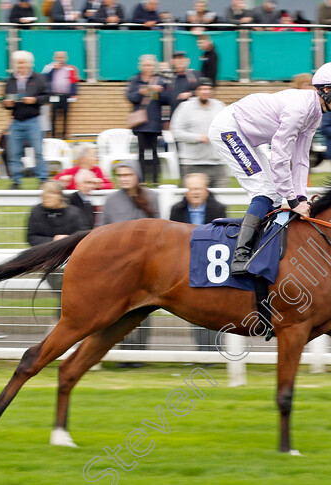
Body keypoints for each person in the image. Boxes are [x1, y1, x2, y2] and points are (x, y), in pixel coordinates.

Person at [208, 61, 331, 274]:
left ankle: (262, 248)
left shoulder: (315, 114)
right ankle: (240, 256)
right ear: (327, 90)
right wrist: (291, 199)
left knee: (273, 193)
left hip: (247, 134)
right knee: (264, 191)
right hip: (229, 129)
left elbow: (301, 158)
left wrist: (300, 197)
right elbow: (281, 156)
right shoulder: (300, 109)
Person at [102, 160, 158, 366]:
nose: (124, 178)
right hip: (119, 265)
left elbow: (159, 227)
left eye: (128, 174)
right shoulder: (111, 201)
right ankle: (124, 354)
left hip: (146, 265)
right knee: (120, 309)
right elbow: (101, 230)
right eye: (121, 175)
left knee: (146, 307)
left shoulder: (152, 197)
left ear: (137, 176)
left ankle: (140, 353)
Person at [169, 172, 226, 353]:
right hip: (186, 265)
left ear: (206, 190)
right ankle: (202, 350)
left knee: (214, 307)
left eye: (198, 189)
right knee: (194, 308)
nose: (195, 193)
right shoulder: (176, 210)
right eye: (191, 189)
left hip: (212, 264)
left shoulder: (218, 209)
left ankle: (213, 350)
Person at [27, 181, 89, 319]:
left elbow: (84, 233)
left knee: (71, 293)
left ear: (59, 195)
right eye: (45, 194)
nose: (48, 198)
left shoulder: (74, 213)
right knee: (66, 292)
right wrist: (53, 241)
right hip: (50, 262)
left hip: (73, 261)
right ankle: (62, 322)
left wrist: (67, 239)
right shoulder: (36, 212)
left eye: (52, 194)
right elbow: (31, 237)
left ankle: (61, 322)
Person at [3, 50, 50, 189]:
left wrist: (34, 100)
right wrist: (6, 103)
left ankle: (42, 180)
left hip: (33, 121)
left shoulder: (39, 78)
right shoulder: (10, 80)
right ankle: (16, 181)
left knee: (38, 152)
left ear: (29, 63)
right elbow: (4, 100)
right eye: (18, 62)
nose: (20, 65)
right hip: (16, 121)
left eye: (23, 62)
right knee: (13, 152)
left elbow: (47, 97)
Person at [170, 77, 227, 187]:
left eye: (208, 89)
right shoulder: (185, 107)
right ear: (196, 91)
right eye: (202, 89)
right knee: (194, 200)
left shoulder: (220, 106)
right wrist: (198, 138)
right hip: (192, 163)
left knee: (222, 200)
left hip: (217, 162)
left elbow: (227, 129)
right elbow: (176, 131)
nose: (205, 92)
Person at [126, 54, 168, 185]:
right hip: (140, 123)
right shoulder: (135, 80)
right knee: (141, 152)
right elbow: (130, 97)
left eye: (150, 65)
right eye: (145, 65)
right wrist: (141, 92)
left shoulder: (160, 80)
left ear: (154, 66)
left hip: (154, 122)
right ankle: (141, 179)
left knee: (155, 152)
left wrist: (160, 92)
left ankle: (155, 180)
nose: (147, 67)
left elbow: (166, 100)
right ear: (141, 66)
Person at [43, 51, 80, 140]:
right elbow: (44, 78)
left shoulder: (70, 68)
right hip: (54, 95)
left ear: (65, 58)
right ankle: (53, 134)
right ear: (55, 58)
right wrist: (53, 69)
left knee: (65, 116)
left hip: (65, 95)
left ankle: (64, 134)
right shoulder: (49, 67)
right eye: (58, 57)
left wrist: (74, 93)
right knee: (53, 115)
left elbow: (74, 81)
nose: (60, 59)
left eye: (62, 57)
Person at [166, 51, 200, 116]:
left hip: (193, 114)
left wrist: (191, 94)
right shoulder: (168, 76)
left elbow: (204, 90)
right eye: (177, 59)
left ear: (187, 61)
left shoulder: (195, 75)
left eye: (181, 58)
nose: (179, 61)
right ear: (172, 62)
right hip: (174, 114)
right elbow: (162, 98)